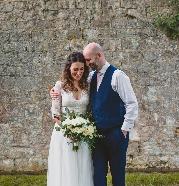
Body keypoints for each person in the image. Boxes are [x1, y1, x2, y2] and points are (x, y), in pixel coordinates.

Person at [50, 42, 138, 186]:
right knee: (96, 177)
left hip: (116, 134)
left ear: (99, 55)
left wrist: (125, 128)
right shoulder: (90, 78)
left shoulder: (117, 75)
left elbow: (132, 103)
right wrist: (53, 92)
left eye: (88, 60)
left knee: (118, 177)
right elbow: (69, 90)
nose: (87, 64)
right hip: (96, 136)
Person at [47, 52, 94, 186]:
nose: (79, 72)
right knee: (66, 169)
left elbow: (90, 110)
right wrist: (69, 130)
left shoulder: (88, 84)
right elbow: (55, 113)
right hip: (63, 133)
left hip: (84, 133)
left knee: (82, 168)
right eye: (75, 69)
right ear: (69, 69)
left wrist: (83, 128)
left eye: (81, 69)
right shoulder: (60, 86)